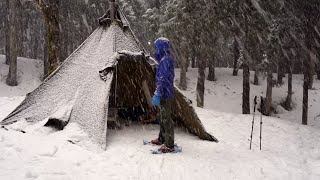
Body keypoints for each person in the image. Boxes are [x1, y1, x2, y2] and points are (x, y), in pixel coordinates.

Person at [150, 37, 175, 153]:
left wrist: (158, 92)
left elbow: (162, 78)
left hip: (165, 93)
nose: (156, 49)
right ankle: (162, 138)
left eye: (157, 47)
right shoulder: (163, 59)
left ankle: (169, 144)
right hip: (163, 92)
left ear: (162, 47)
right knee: (161, 117)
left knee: (166, 119)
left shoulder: (166, 60)